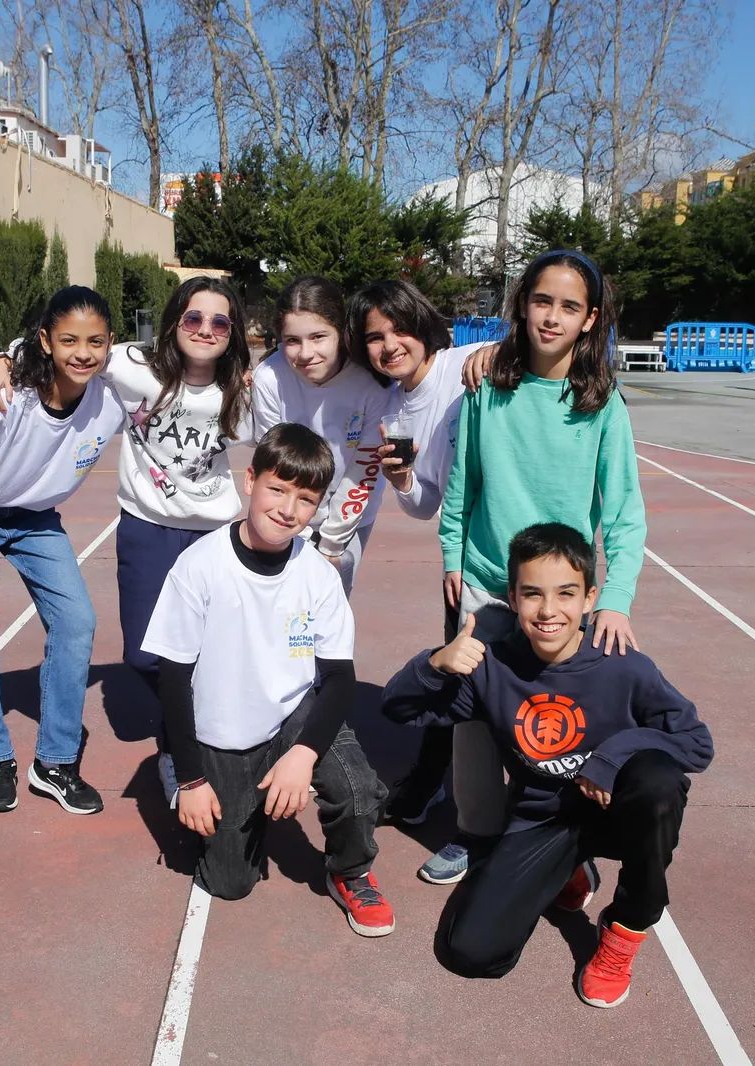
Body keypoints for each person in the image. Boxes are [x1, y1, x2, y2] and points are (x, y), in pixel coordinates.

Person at [382, 522, 713, 1007]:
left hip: (619, 811)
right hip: (545, 818)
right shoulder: (492, 668)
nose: (549, 610)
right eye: (533, 594)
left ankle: (625, 930)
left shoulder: (624, 665)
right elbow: (398, 709)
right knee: (470, 953)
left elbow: (695, 743)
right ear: (513, 599)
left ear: (589, 598)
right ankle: (569, 870)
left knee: (660, 785)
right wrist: (435, 663)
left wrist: (609, 759)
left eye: (565, 594)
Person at [0, 278, 254, 805]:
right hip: (147, 526)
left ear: (232, 332)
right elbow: (54, 340)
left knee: (212, 653)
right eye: (193, 318)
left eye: (220, 322)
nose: (205, 330)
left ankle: (181, 752)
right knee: (144, 654)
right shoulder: (133, 364)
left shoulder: (243, 387)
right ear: (175, 321)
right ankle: (194, 728)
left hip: (214, 533)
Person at [422, 248, 647, 887]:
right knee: (474, 716)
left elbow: (625, 514)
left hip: (564, 597)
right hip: (489, 583)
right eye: (541, 301)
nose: (552, 317)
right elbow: (464, 486)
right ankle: (475, 833)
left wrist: (616, 598)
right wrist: (452, 557)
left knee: (562, 718)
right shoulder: (486, 391)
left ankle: (561, 838)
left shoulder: (603, 404)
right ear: (522, 305)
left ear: (591, 319)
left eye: (569, 307)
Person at [141, 423, 396, 936]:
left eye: (305, 499)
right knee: (229, 883)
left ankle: (349, 871)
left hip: (293, 711)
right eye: (277, 489)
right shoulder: (199, 566)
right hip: (226, 728)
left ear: (318, 506)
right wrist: (192, 780)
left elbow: (340, 680)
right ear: (249, 480)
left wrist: (302, 756)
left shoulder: (318, 573)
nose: (287, 509)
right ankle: (201, 789)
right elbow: (172, 679)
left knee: (356, 786)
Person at [0, 286, 125, 815]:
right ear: (45, 341)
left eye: (95, 342)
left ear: (110, 345)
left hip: (34, 517)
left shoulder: (111, 397)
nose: (82, 353)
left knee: (77, 622)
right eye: (68, 340)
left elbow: (177, 365)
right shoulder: (7, 396)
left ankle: (54, 763)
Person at [345, 278, 486, 825]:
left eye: (400, 328)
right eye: (375, 337)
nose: (390, 344)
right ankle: (439, 790)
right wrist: (401, 477)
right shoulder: (395, 412)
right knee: (464, 677)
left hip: (523, 545)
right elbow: (425, 506)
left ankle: (447, 791)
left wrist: (501, 350)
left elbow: (525, 349)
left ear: (422, 325)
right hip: (466, 555)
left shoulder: (465, 361)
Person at [251, 276, 396, 595]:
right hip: (286, 513)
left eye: (318, 337)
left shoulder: (372, 383)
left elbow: (365, 470)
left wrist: (330, 546)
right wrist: (290, 534)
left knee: (329, 607)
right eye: (292, 340)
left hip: (349, 515)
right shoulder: (269, 378)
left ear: (341, 332)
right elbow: (272, 463)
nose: (305, 353)